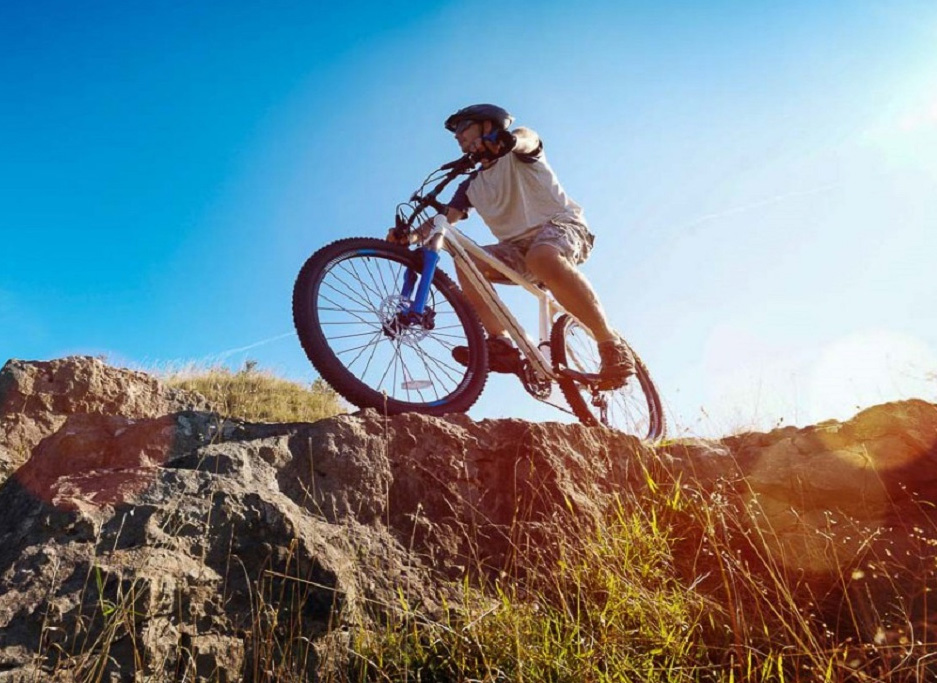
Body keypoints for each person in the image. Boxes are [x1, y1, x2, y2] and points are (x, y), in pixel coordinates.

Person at [394, 103, 634, 388]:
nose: (457, 136)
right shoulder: (471, 185)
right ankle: (501, 344)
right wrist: (408, 237)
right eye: (455, 134)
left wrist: (511, 141)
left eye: (463, 127)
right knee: (468, 261)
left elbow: (528, 138)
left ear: (488, 125)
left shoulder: (519, 153)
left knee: (542, 256)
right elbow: (445, 219)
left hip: (562, 227)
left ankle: (610, 344)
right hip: (517, 249)